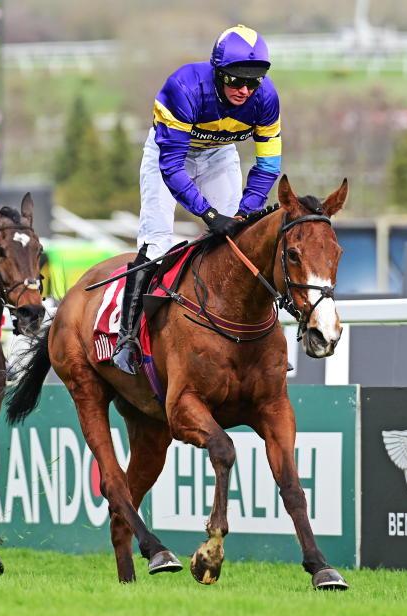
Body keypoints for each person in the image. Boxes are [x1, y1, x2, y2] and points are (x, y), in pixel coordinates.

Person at [112, 24, 282, 375]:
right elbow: (173, 167)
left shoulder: (266, 99)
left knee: (238, 241)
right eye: (235, 80)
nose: (245, 90)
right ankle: (126, 338)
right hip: (170, 154)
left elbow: (268, 166)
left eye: (253, 82)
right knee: (157, 242)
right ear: (218, 72)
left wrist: (245, 213)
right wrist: (208, 213)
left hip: (220, 154)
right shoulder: (184, 87)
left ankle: (255, 342)